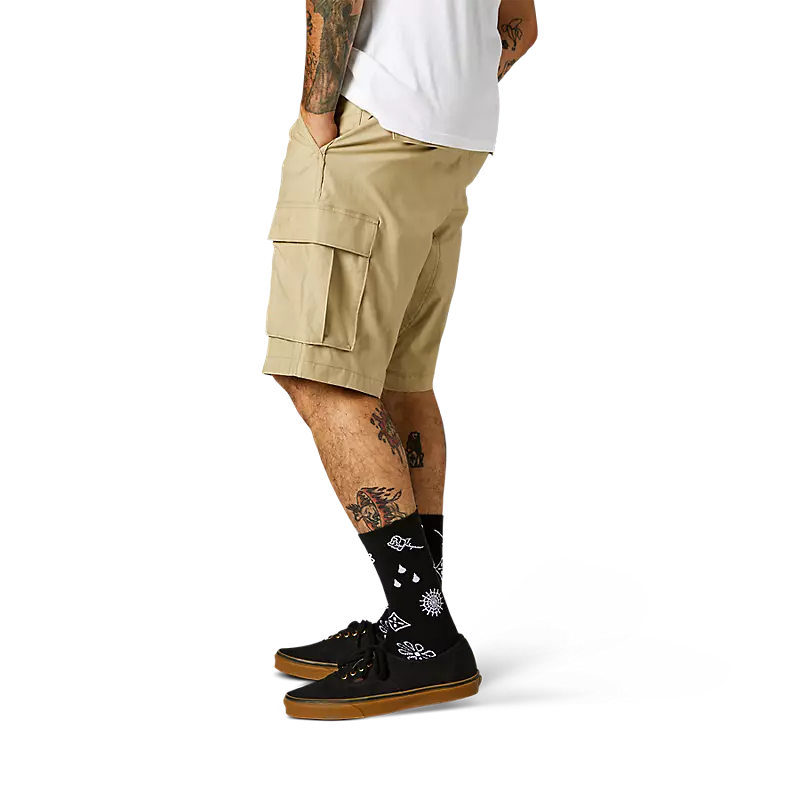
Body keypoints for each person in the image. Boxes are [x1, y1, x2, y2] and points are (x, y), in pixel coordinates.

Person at [264, 0, 539, 721]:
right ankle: (416, 614)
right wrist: (449, 88)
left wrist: (320, 111)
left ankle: (423, 636)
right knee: (398, 381)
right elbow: (521, 23)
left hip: (373, 124)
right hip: (456, 134)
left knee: (321, 375)